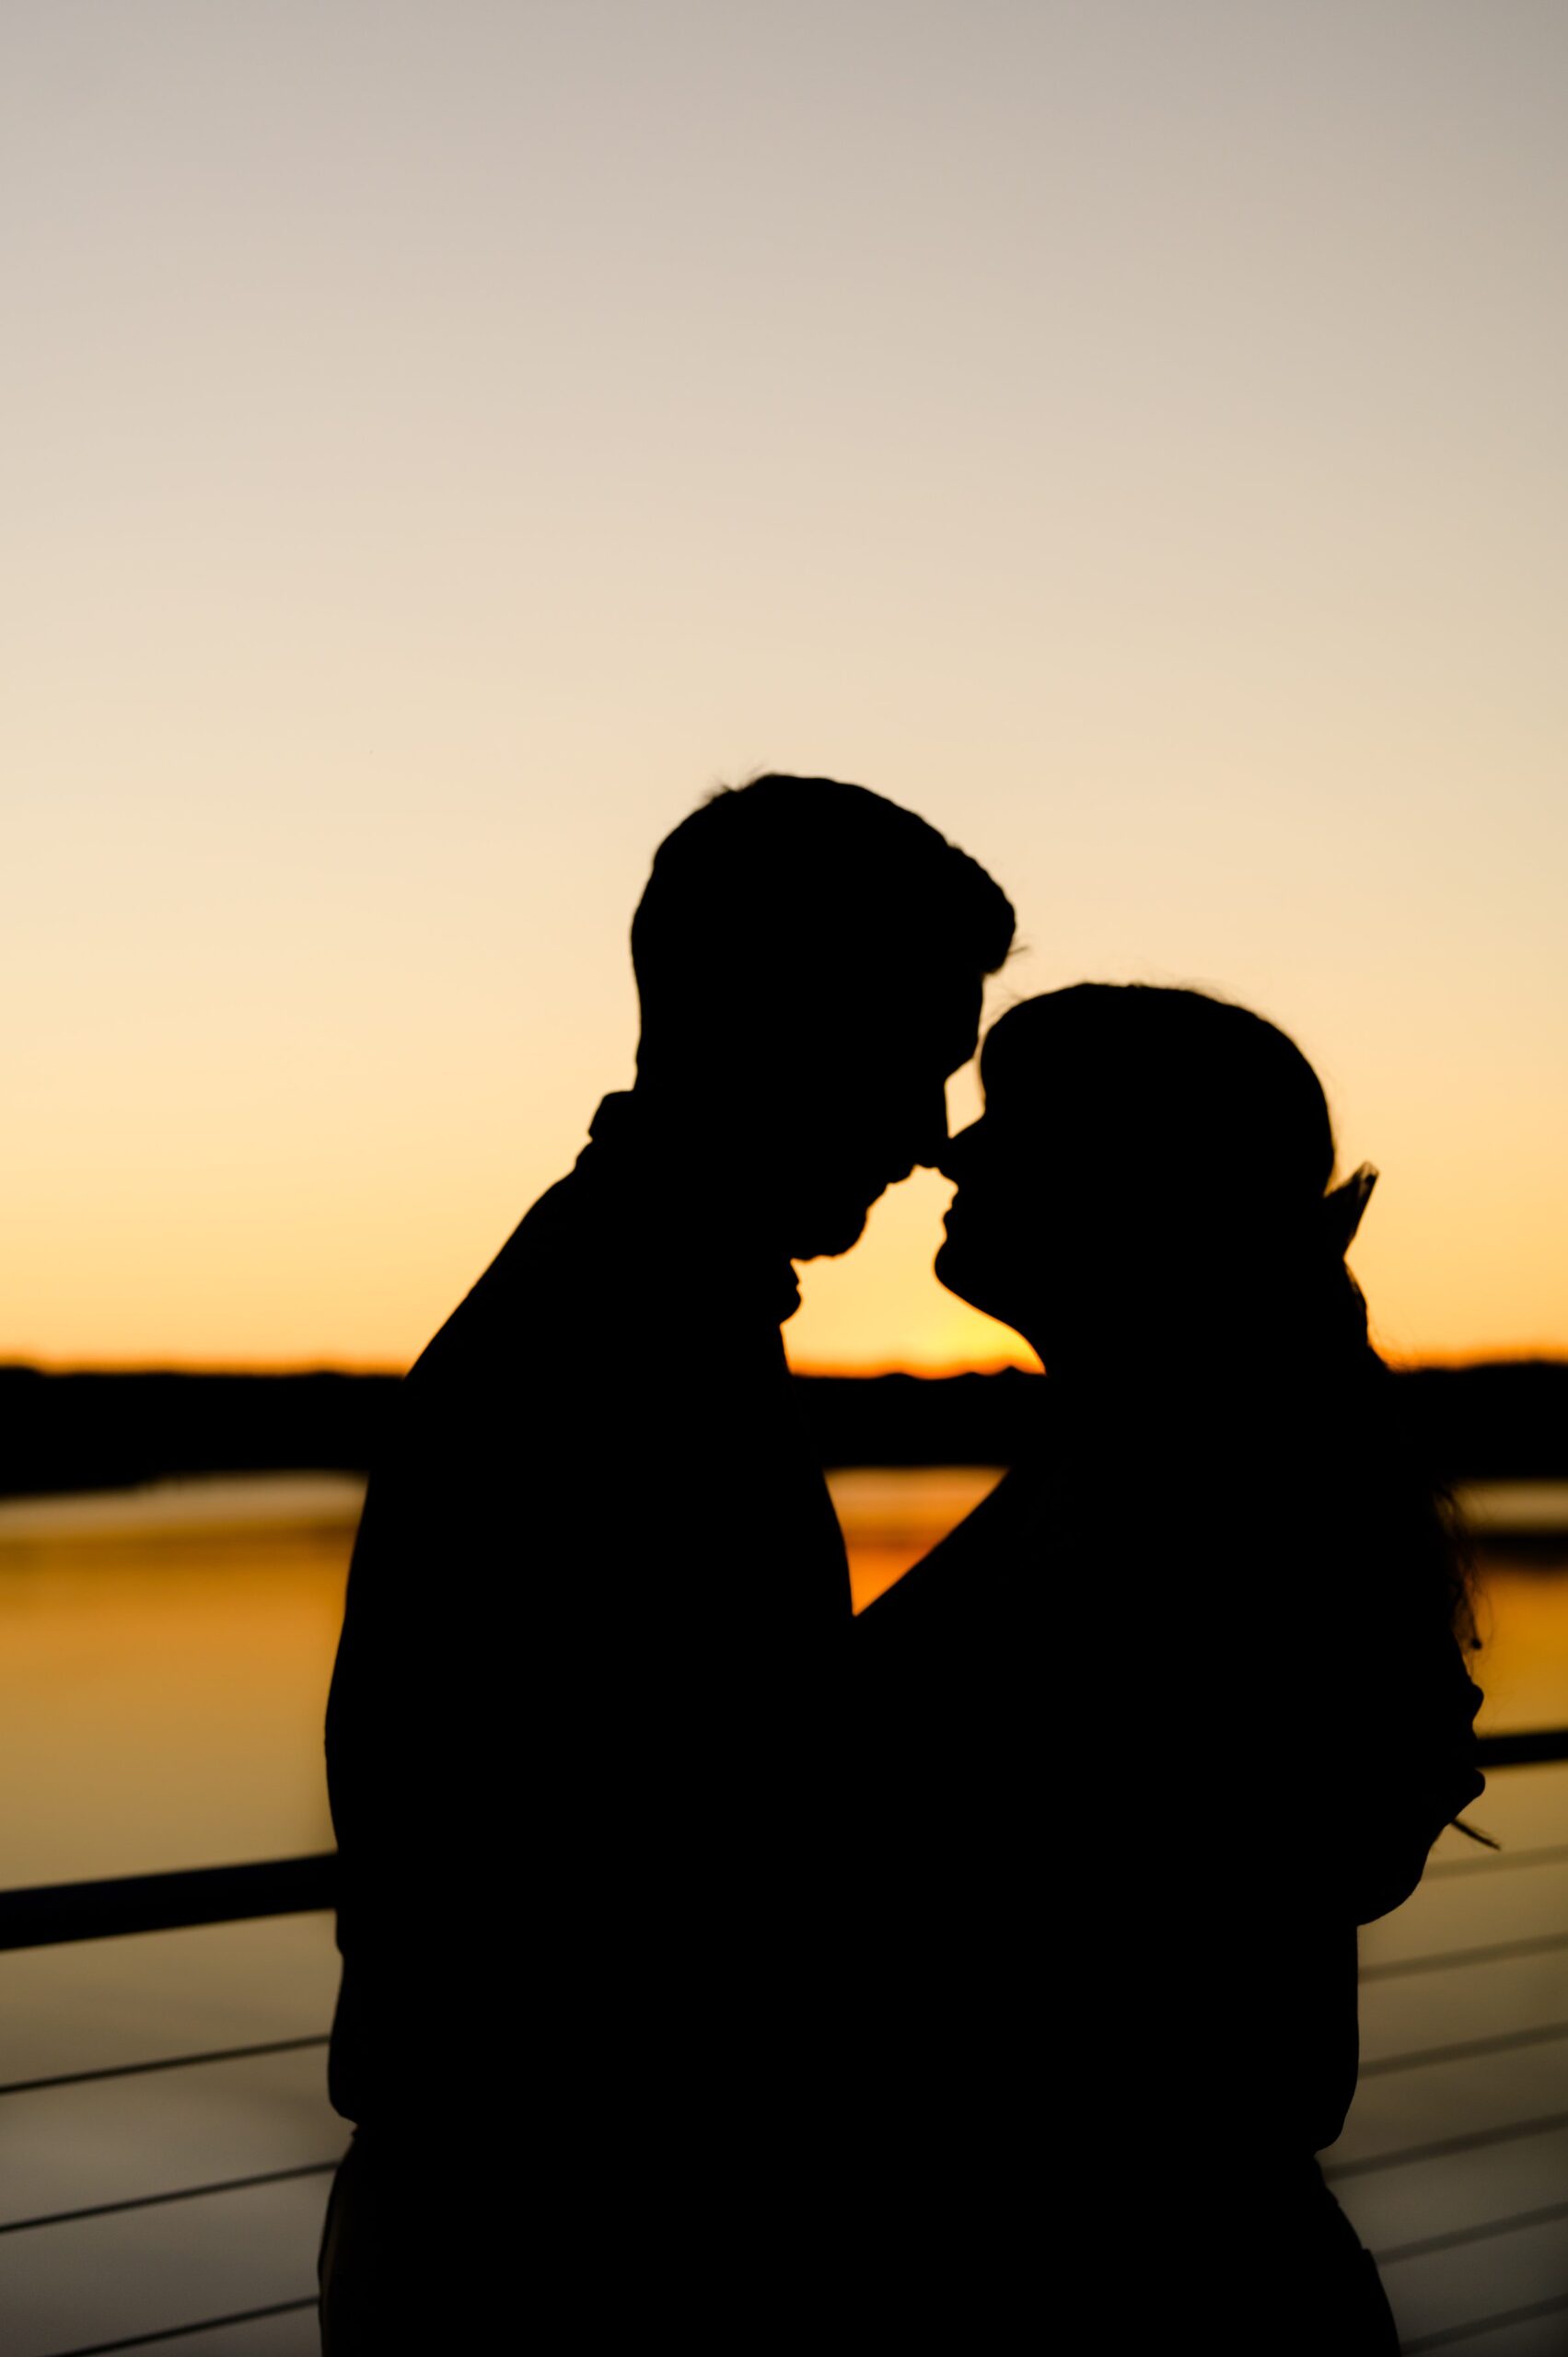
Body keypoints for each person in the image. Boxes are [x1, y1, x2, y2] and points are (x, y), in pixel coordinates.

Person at [318, 774, 1015, 2348]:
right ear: (763, 1013)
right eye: (910, 1060)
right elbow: (687, 1850)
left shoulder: (638, 1300)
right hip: (567, 2244)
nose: (926, 1134)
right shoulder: (618, 1344)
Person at [858, 983, 1484, 2351]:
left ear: (1127, 1185)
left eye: (1005, 1125)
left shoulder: (1192, 1496)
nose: (954, 1155)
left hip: (1127, 2284)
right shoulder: (1154, 1459)